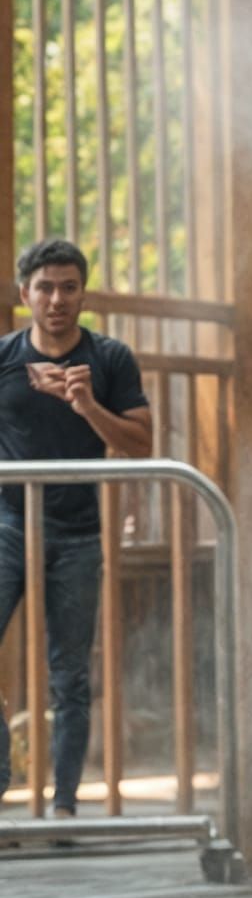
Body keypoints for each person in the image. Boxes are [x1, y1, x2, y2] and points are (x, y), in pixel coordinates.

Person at [0, 239, 151, 815]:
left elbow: (142, 444)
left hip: (79, 532)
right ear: (25, 295)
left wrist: (84, 404)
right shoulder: (6, 357)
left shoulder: (109, 358)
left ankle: (63, 804)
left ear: (82, 293)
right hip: (9, 522)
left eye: (68, 287)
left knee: (71, 674)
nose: (57, 299)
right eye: (45, 287)